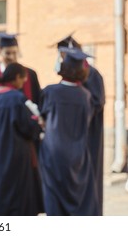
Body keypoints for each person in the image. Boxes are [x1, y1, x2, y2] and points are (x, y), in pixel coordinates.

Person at [38, 47, 99, 215]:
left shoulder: (50, 92)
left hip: (54, 154)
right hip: (78, 155)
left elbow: (41, 118)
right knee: (79, 200)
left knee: (54, 199)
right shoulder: (85, 96)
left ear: (63, 68)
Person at [0, 62, 43, 216]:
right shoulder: (16, 98)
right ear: (16, 77)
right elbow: (28, 128)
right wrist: (37, 123)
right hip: (14, 158)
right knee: (18, 201)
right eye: (23, 79)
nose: (23, 83)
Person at [55, 34, 105, 215]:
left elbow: (96, 103)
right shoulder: (69, 74)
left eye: (62, 54)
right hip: (70, 134)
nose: (60, 59)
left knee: (89, 176)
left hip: (87, 133)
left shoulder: (91, 74)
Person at [0, 32, 41, 122]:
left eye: (14, 53)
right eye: (7, 53)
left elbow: (39, 102)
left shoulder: (30, 75)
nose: (11, 57)